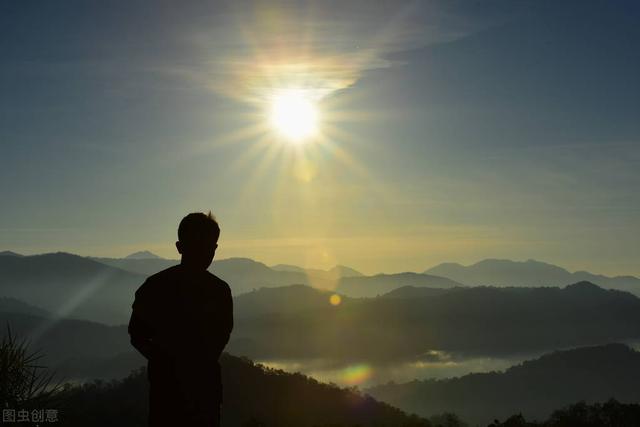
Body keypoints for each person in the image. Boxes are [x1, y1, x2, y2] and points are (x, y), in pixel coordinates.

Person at [128, 212, 233, 427]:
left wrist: (162, 360)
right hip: (203, 391)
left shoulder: (155, 286)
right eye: (202, 246)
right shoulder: (219, 290)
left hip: (167, 392)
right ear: (180, 247)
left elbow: (137, 336)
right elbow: (221, 336)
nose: (207, 253)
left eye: (210, 247)